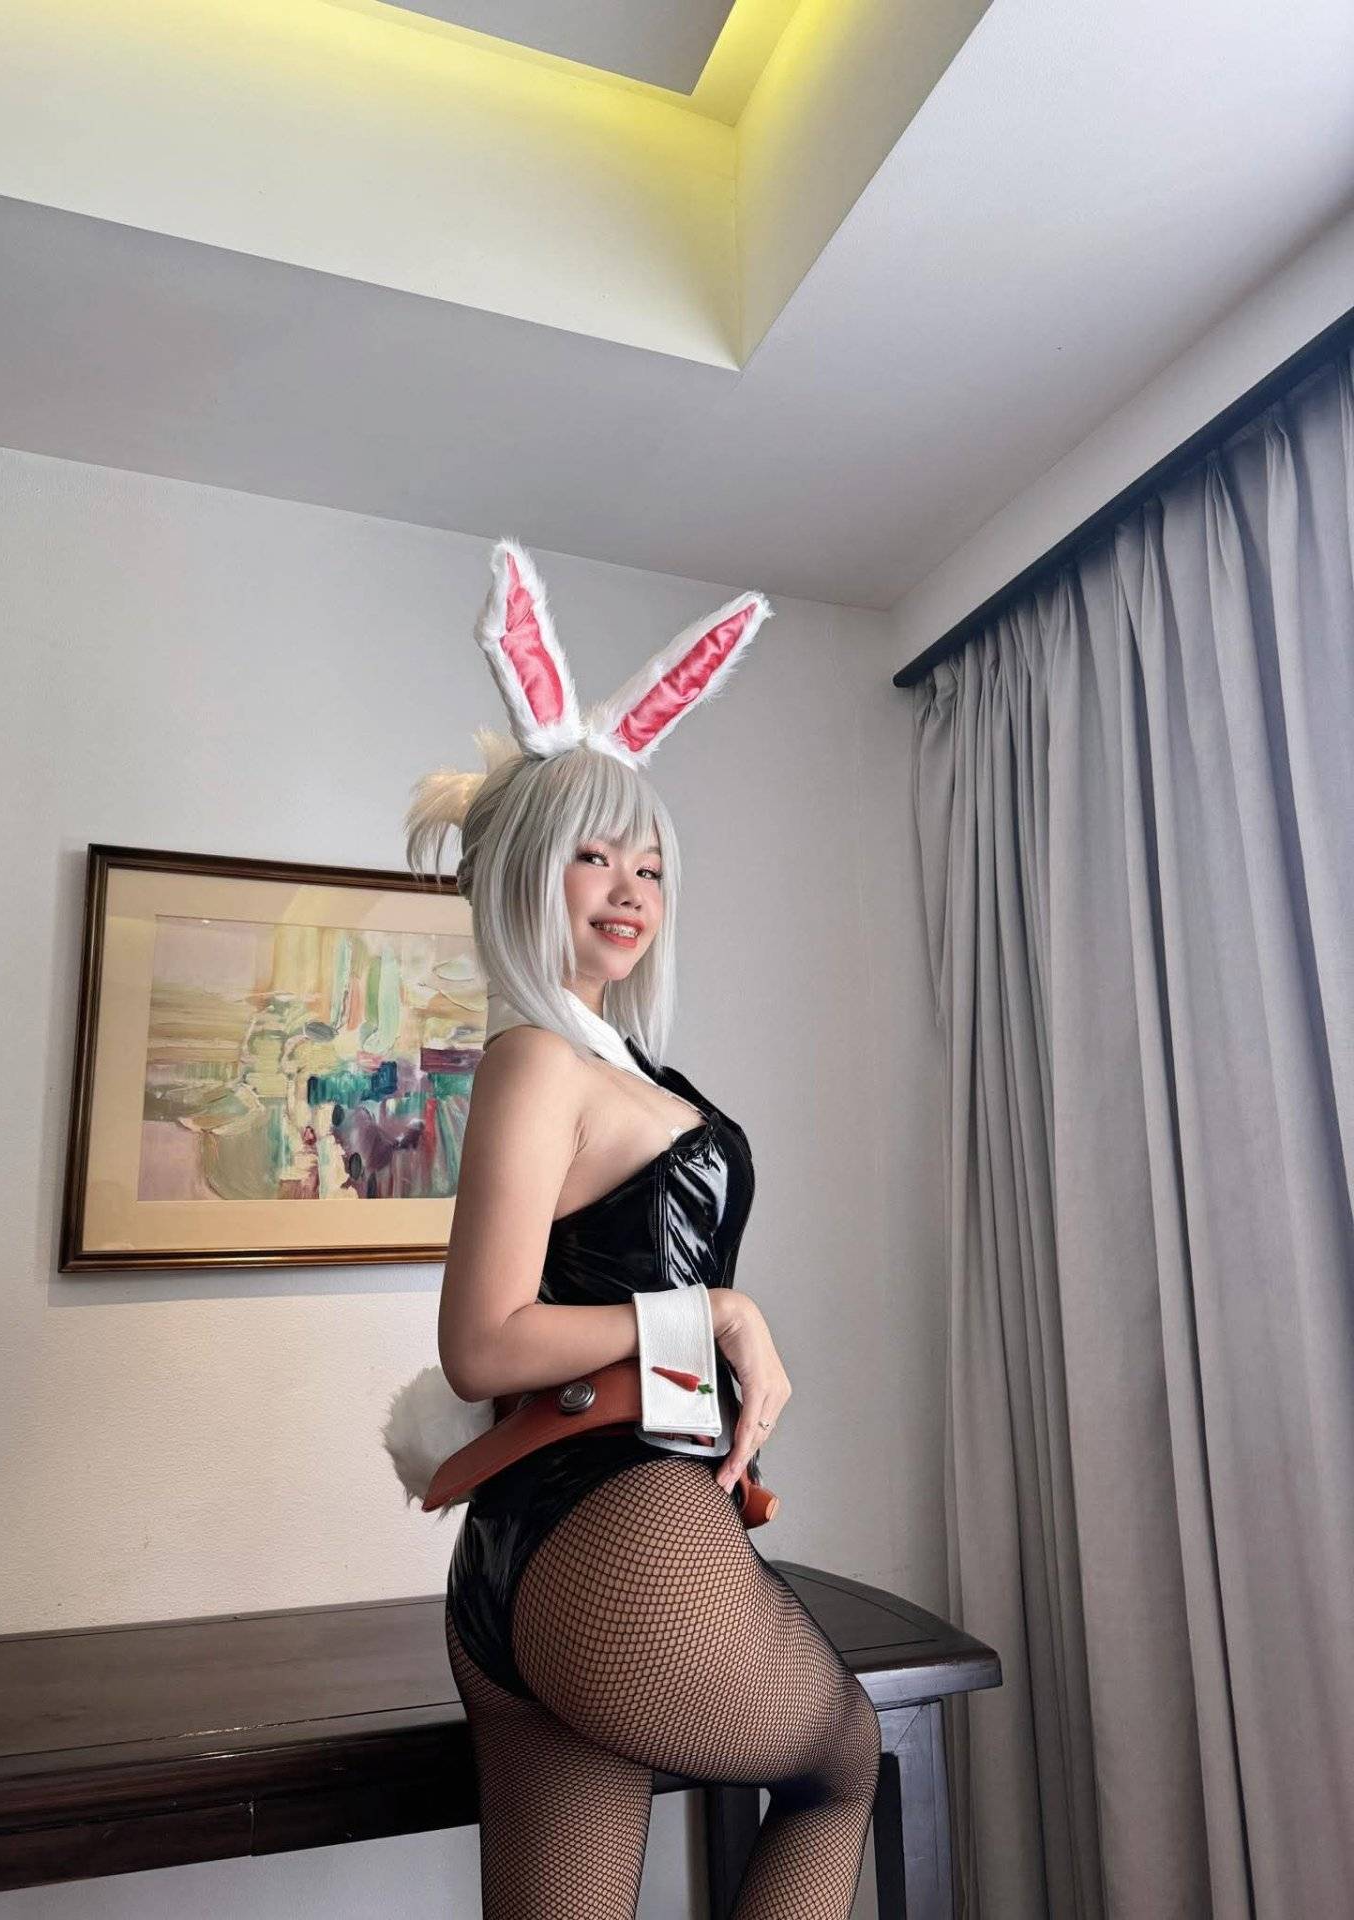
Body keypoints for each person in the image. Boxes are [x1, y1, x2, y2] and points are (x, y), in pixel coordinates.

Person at [404, 540, 882, 1918]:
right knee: (840, 1769)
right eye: (594, 856)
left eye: (651, 866)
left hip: (531, 1566)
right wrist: (716, 1312)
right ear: (525, 872)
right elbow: (483, 1343)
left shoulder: (620, 1071)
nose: (629, 889)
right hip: (616, 1534)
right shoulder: (536, 1059)